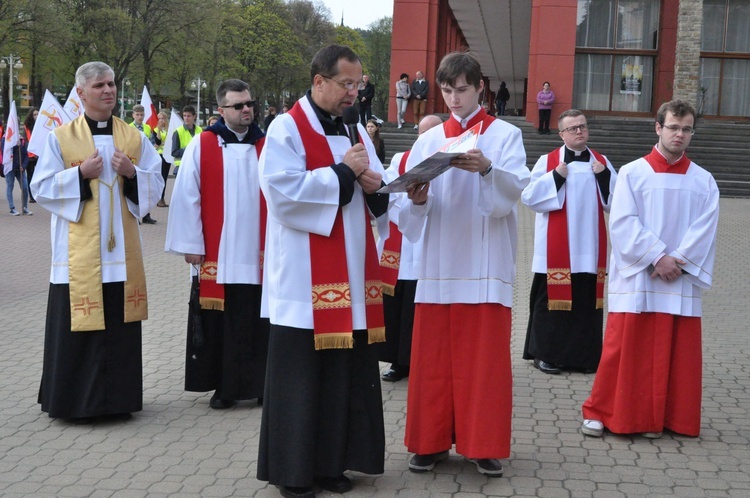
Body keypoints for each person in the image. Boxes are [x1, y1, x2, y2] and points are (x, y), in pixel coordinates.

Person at [257, 44, 388, 498]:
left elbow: (373, 183)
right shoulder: (286, 128)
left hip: (351, 276)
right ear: (319, 81)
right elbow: (282, 193)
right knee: (301, 382)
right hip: (301, 278)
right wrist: (343, 174)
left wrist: (377, 187)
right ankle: (294, 474)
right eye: (346, 84)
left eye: (358, 84)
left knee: (339, 380)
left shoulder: (356, 128)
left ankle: (332, 464)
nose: (354, 92)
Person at [400, 51, 529, 478]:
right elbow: (409, 211)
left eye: (462, 89)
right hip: (438, 261)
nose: (454, 98)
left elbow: (512, 196)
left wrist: (488, 169)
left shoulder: (505, 135)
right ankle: (429, 442)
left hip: (485, 261)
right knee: (433, 360)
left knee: (484, 363)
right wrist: (416, 201)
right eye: (447, 90)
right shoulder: (427, 140)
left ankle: (482, 443)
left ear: (480, 89)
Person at [30, 61, 164, 422]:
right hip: (77, 256)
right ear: (82, 92)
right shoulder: (61, 137)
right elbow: (39, 188)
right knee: (79, 330)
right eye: (100, 86)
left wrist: (132, 172)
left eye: (112, 84)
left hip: (121, 253)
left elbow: (157, 181)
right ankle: (74, 403)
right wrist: (79, 174)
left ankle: (118, 402)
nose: (109, 91)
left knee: (118, 328)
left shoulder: (132, 137)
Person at [581, 100, 719, 439]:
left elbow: (706, 228)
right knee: (622, 348)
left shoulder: (704, 181)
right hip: (641, 275)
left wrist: (678, 260)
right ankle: (600, 411)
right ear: (658, 127)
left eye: (686, 129)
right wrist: (658, 257)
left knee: (674, 352)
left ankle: (664, 417)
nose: (679, 134)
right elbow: (623, 222)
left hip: (677, 279)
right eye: (673, 127)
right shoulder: (632, 172)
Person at [166, 79, 269, 411]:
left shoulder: (268, 145)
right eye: (238, 106)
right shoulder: (203, 144)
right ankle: (224, 388)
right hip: (219, 255)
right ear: (222, 110)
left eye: (249, 104)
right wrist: (190, 243)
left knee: (258, 321)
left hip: (260, 254)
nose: (246, 110)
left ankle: (261, 386)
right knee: (222, 324)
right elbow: (186, 196)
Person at [521, 109, 617, 375]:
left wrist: (604, 176)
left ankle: (583, 357)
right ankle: (544, 354)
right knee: (549, 302)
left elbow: (618, 202)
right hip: (555, 250)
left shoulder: (602, 161)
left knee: (586, 303)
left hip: (589, 246)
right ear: (562, 133)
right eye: (572, 128)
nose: (579, 131)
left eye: (582, 127)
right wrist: (556, 177)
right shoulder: (548, 160)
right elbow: (529, 198)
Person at [378, 114, 442, 383]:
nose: (425, 138)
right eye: (422, 132)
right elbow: (388, 195)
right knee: (401, 307)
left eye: (432, 133)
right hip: (404, 245)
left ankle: (428, 363)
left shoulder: (453, 162)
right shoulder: (400, 160)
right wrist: (413, 208)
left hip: (437, 241)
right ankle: (399, 361)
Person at [131, 104, 157, 224]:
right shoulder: (128, 128)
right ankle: (135, 215)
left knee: (145, 187)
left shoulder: (147, 127)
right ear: (133, 115)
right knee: (134, 188)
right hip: (134, 160)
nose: (140, 117)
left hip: (145, 160)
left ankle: (146, 214)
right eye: (138, 115)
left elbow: (152, 142)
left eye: (142, 115)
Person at [3, 124, 32, 216]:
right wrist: (15, 145)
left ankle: (25, 207)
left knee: (24, 187)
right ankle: (12, 208)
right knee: (10, 186)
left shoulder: (22, 139)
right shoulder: (5, 138)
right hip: (10, 168)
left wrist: (23, 166)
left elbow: (26, 155)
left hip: (20, 168)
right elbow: (4, 150)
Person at [171, 105, 202, 176]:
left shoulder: (200, 130)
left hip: (196, 165)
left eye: (189, 116)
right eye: (184, 116)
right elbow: (174, 152)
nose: (186, 118)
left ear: (194, 116)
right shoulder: (178, 132)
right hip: (182, 166)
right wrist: (189, 150)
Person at [153, 111, 170, 207]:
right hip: (158, 154)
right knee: (158, 177)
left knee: (164, 177)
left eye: (163, 118)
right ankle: (157, 198)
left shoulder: (169, 130)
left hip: (166, 154)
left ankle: (162, 198)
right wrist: (158, 131)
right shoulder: (155, 130)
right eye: (159, 118)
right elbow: (158, 142)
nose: (161, 120)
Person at [24, 108, 39, 202]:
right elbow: (26, 141)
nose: (36, 116)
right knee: (30, 175)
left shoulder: (41, 126)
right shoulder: (27, 127)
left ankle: (38, 193)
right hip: (30, 156)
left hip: (39, 155)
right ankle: (31, 196)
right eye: (34, 114)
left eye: (38, 114)